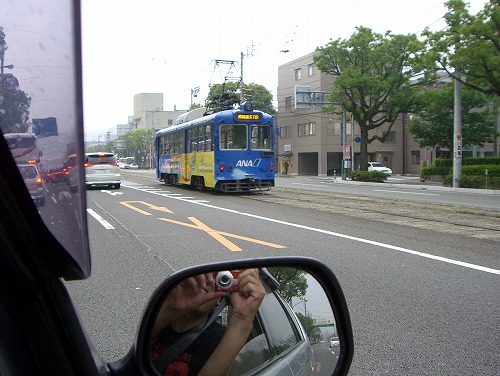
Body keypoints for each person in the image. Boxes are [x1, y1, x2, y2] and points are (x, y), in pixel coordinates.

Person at [151, 268, 266, 376]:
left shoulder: (220, 339)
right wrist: (170, 305)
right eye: (204, 277)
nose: (208, 281)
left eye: (219, 279)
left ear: (219, 300)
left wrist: (242, 318)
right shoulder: (164, 321)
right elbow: (140, 339)